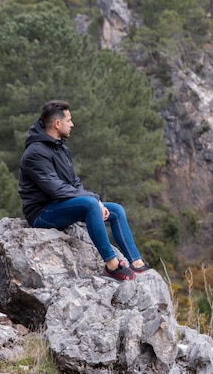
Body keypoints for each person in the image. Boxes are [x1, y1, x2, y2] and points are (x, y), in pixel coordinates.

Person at [18, 100, 149, 282]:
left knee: (116, 210)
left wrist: (97, 201)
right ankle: (112, 266)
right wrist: (94, 200)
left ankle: (137, 263)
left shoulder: (61, 148)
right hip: (42, 213)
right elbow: (57, 190)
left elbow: (74, 183)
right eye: (69, 120)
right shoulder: (35, 153)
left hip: (60, 205)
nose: (72, 124)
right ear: (57, 124)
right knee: (89, 205)